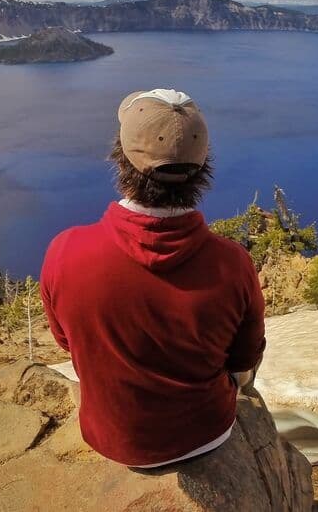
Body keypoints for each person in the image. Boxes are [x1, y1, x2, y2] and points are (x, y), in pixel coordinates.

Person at [40, 88, 267, 469]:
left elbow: (67, 343)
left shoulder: (66, 252)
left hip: (110, 437)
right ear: (202, 166)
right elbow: (244, 361)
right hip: (207, 432)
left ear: (122, 158)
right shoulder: (233, 264)